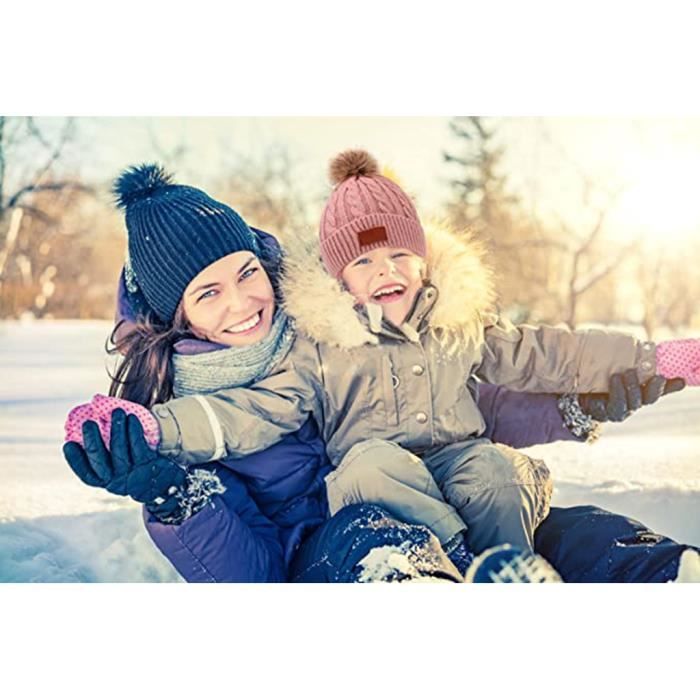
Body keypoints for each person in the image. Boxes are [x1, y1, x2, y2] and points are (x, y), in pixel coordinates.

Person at [63, 162, 697, 583]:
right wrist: (161, 459)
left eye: (248, 274)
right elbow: (250, 563)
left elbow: (497, 389)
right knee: (381, 522)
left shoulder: (330, 318)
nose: (242, 304)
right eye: (207, 294)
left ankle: (666, 579)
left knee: (579, 531)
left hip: (456, 494)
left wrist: (589, 400)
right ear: (176, 316)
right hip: (345, 547)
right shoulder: (220, 397)